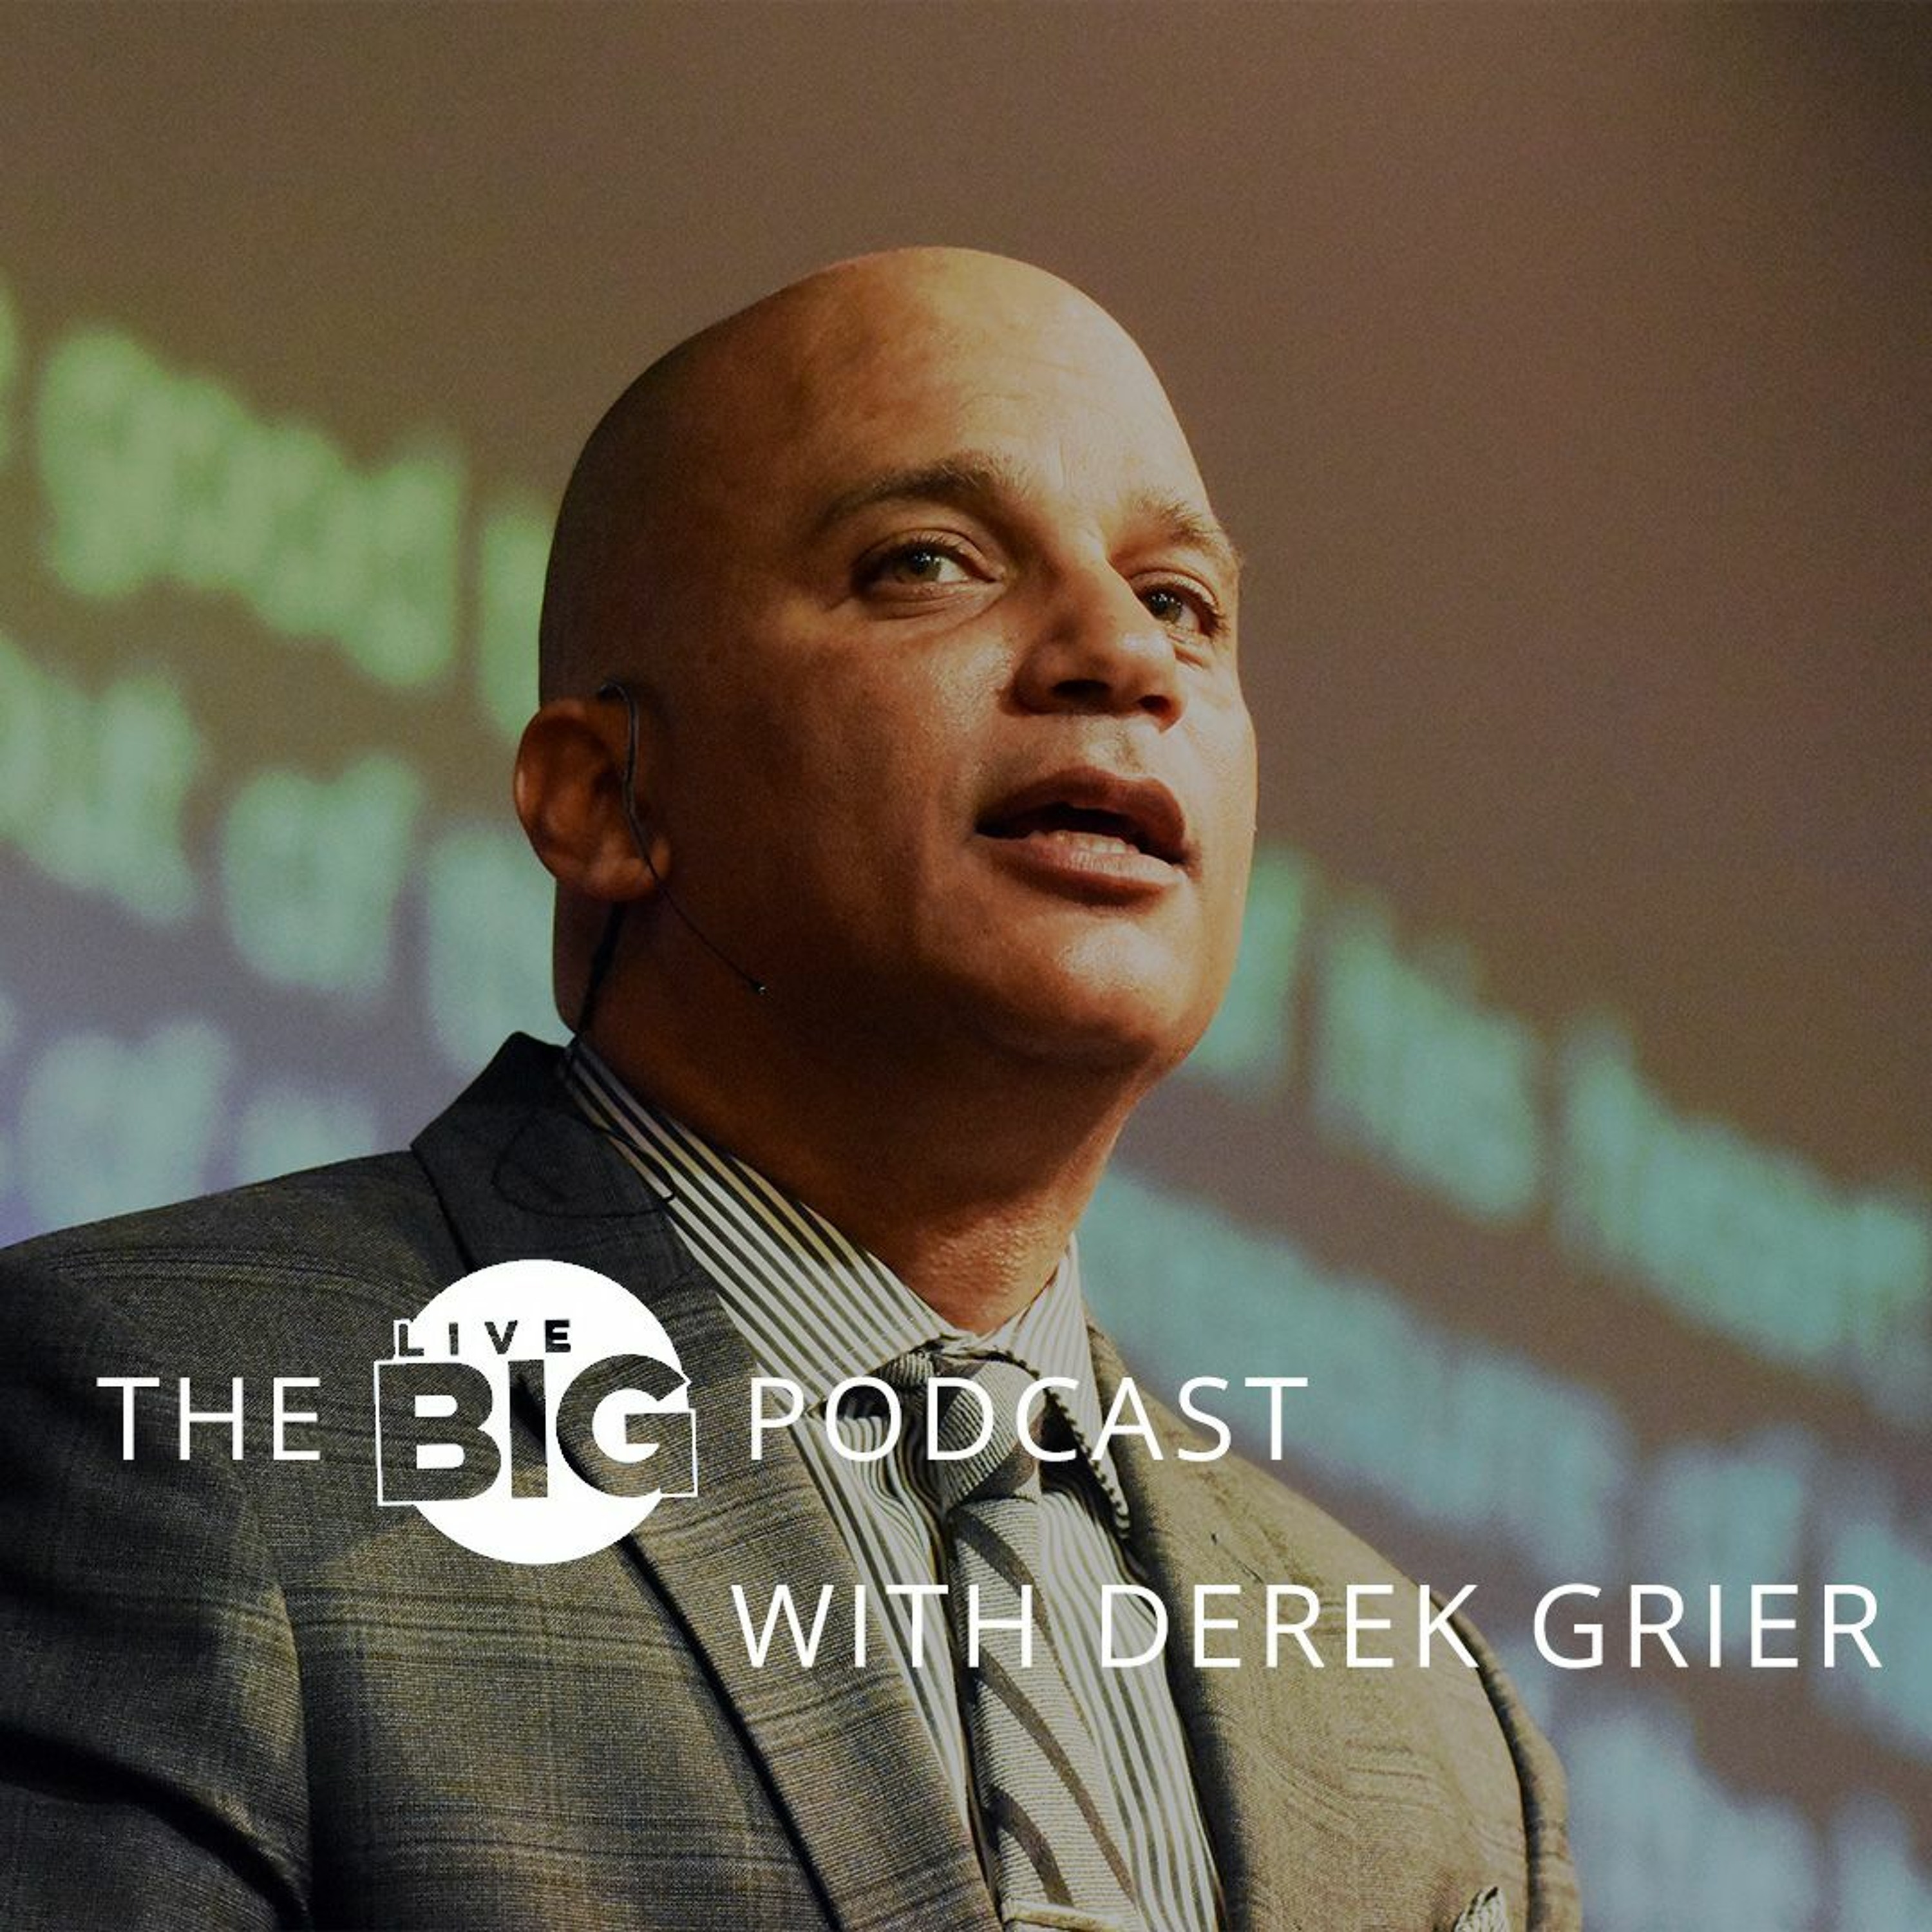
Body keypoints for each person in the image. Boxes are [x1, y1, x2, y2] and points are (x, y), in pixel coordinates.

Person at [0, 248, 1579, 1931]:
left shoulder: (1434, 1720)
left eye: (1183, 600)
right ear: (606, 798)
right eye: (929, 562)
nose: (1127, 655)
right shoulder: (156, 1420)